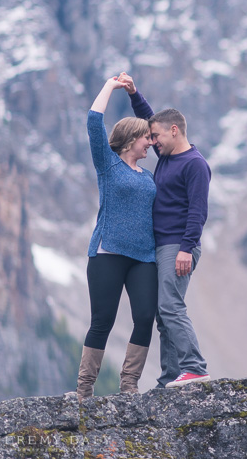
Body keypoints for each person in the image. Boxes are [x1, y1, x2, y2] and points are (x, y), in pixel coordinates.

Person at [117, 71, 212, 388]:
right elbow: (148, 118)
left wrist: (187, 247)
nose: (152, 141)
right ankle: (171, 376)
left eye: (156, 136)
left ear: (175, 131)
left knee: (170, 306)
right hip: (163, 245)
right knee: (163, 312)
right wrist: (133, 93)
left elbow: (198, 210)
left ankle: (194, 367)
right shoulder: (168, 155)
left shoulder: (194, 164)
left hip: (179, 245)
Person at [78, 76, 157, 401]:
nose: (151, 142)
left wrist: (136, 92)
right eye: (145, 138)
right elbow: (94, 120)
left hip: (144, 258)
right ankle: (84, 391)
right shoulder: (108, 165)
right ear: (130, 139)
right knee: (103, 321)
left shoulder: (151, 175)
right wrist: (111, 86)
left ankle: (129, 385)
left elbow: (160, 127)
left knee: (144, 317)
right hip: (107, 253)